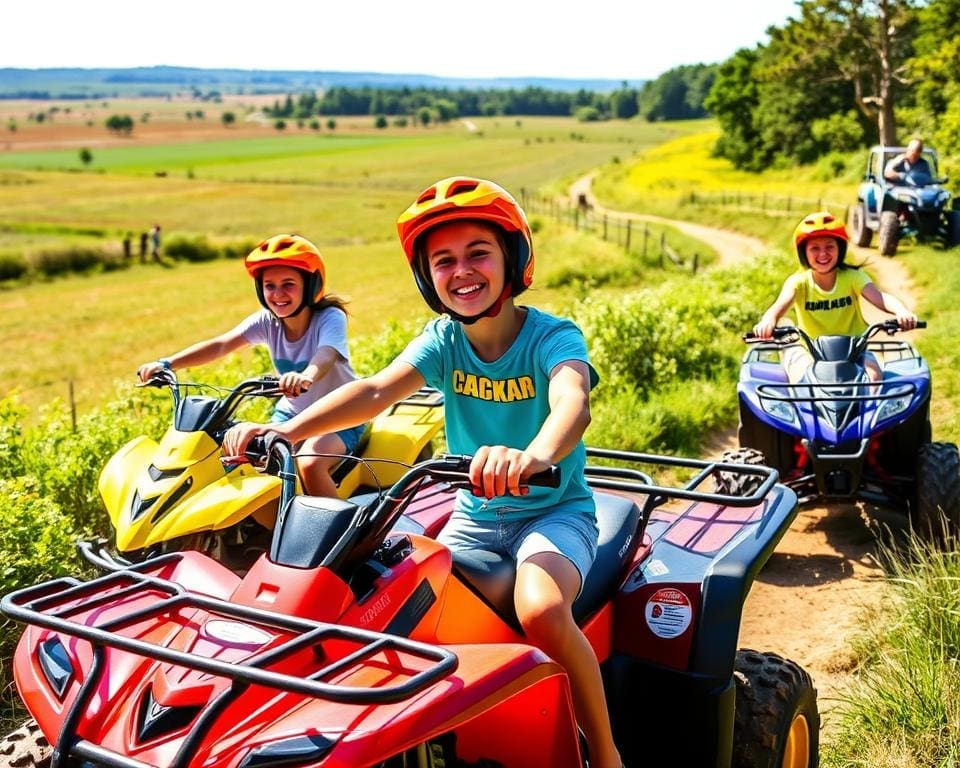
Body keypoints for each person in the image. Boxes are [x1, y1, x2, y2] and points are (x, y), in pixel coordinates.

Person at [222, 177, 623, 768]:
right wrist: (286, 431)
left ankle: (606, 753)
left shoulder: (550, 336)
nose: (461, 270)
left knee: (539, 608)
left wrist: (533, 456)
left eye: (478, 253)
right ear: (426, 276)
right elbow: (374, 391)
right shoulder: (443, 340)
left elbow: (572, 402)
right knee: (391, 599)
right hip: (474, 515)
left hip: (552, 511)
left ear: (513, 258)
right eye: (444, 260)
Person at [138, 234, 364, 497]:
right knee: (249, 460)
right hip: (291, 414)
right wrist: (167, 363)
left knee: (310, 463)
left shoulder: (329, 318)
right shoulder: (267, 322)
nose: (277, 294)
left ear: (311, 284)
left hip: (341, 415)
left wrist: (307, 376)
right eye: (269, 285)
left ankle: (343, 534)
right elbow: (222, 345)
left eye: (288, 284)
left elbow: (326, 355)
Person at [753, 211, 918, 382]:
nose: (823, 254)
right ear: (804, 252)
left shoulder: (853, 277)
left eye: (829, 246)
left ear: (840, 248)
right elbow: (779, 306)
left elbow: (880, 298)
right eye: (814, 248)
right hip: (811, 351)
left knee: (874, 377)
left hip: (855, 349)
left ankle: (870, 410)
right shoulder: (798, 282)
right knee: (802, 383)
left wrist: (902, 312)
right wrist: (768, 321)